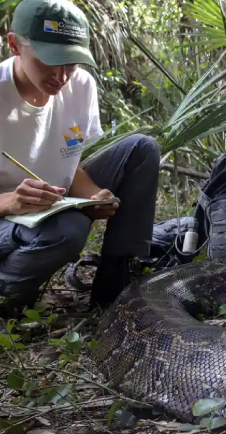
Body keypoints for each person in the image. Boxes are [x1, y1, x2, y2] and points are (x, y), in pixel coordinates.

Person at [0, 0, 160, 314]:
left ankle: (115, 287)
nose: (61, 76)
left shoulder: (81, 86)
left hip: (47, 207)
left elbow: (67, 164)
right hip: (8, 216)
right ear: (15, 45)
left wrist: (94, 197)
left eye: (71, 62)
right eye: (51, 60)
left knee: (142, 149)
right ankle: (8, 295)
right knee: (69, 228)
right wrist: (9, 202)